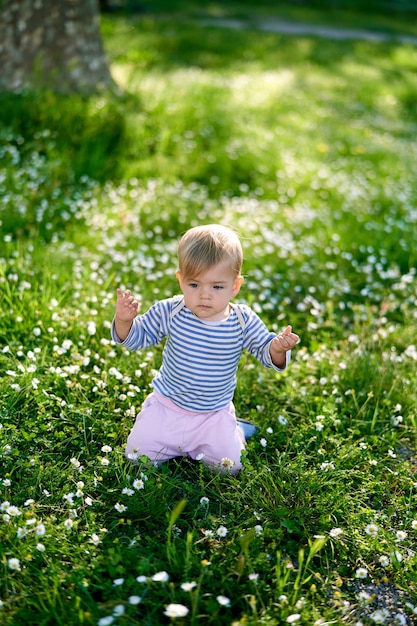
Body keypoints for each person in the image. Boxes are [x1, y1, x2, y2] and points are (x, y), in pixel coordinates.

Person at [111, 224, 299, 473]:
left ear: (235, 286)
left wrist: (277, 347)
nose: (205, 296)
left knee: (229, 468)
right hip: (167, 408)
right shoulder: (171, 311)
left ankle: (235, 430)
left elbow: (265, 350)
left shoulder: (242, 320)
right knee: (137, 459)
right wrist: (125, 321)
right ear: (181, 280)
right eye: (194, 285)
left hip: (213, 415)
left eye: (217, 287)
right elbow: (138, 337)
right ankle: (169, 439)